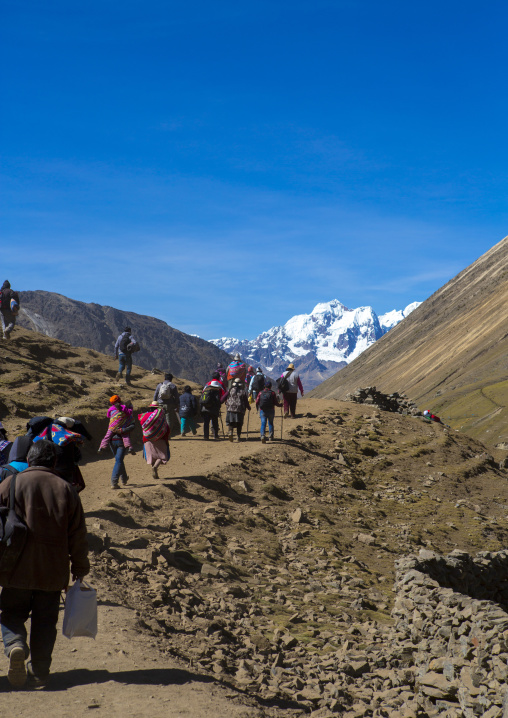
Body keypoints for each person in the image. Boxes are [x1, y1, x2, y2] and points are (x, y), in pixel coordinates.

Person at [0, 440, 89, 689]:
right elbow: (78, 534)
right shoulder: (66, 489)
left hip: (14, 566)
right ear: (53, 462)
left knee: (11, 613)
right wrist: (80, 568)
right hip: (52, 569)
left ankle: (15, 643)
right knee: (45, 621)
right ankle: (39, 671)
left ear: (29, 460)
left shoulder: (10, 483)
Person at [138, 401, 170, 480]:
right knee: (162, 455)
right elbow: (166, 428)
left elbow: (142, 427)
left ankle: (154, 472)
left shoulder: (145, 416)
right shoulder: (161, 416)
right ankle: (155, 467)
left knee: (152, 456)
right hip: (160, 439)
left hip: (147, 439)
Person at [200, 376, 227, 440]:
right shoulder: (216, 391)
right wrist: (219, 406)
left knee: (206, 423)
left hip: (205, 408)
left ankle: (206, 436)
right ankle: (215, 435)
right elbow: (218, 400)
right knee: (215, 422)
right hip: (213, 409)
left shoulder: (206, 389)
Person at [225, 378, 250, 442]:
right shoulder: (243, 391)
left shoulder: (230, 390)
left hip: (230, 408)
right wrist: (248, 407)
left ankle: (230, 432)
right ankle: (238, 436)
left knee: (231, 421)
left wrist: (219, 402)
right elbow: (245, 401)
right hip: (240, 409)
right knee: (239, 423)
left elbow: (224, 397)